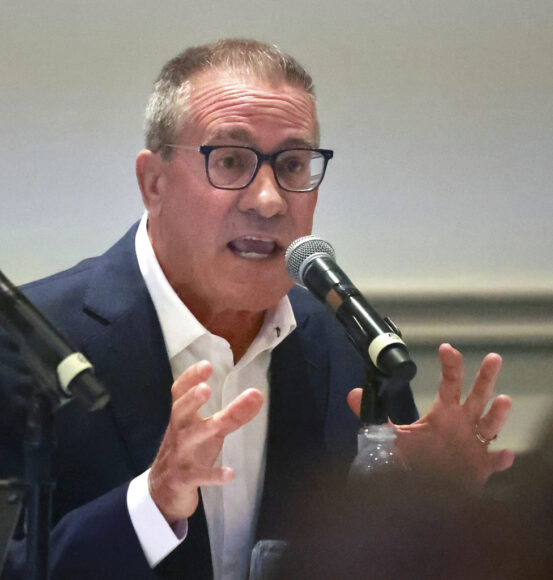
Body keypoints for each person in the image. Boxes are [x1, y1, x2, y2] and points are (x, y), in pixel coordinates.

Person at [0, 39, 514, 580]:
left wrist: (432, 506)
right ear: (154, 182)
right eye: (230, 161)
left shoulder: (351, 348)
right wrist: (151, 505)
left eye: (292, 165)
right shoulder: (29, 343)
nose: (268, 200)